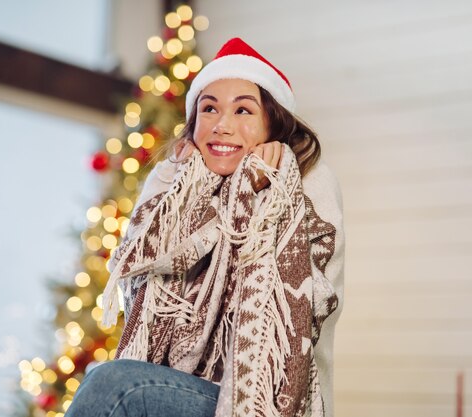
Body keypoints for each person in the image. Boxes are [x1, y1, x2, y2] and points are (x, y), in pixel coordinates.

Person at [66, 37, 345, 417]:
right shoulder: (177, 184)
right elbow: (137, 297)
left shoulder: (308, 181)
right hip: (185, 387)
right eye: (209, 109)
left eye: (243, 111)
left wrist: (264, 191)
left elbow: (308, 308)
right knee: (109, 379)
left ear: (273, 125)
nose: (222, 125)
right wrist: (178, 186)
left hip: (269, 400)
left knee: (115, 386)